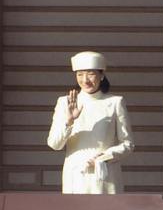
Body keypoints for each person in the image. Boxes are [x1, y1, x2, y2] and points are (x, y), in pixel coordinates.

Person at [46, 51, 133, 194]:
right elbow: (54, 144)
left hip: (105, 177)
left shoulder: (115, 102)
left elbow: (128, 143)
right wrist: (69, 122)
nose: (85, 80)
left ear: (102, 75)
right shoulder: (65, 102)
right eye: (80, 74)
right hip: (75, 177)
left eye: (90, 74)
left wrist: (104, 157)